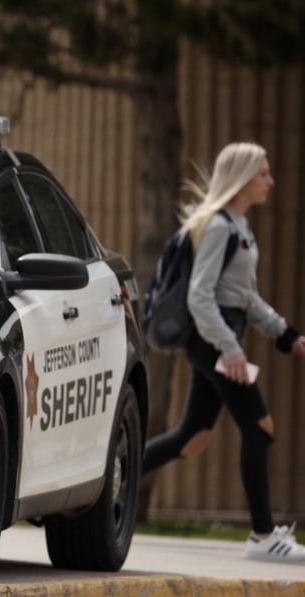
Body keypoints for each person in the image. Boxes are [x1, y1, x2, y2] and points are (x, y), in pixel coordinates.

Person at [142, 142, 305, 562]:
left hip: (220, 339)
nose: (271, 181)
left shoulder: (240, 227)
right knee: (260, 426)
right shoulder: (217, 227)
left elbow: (245, 298)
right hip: (213, 341)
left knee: (192, 438)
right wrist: (230, 350)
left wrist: (285, 334)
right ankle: (264, 536)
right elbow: (200, 298)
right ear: (243, 178)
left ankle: (102, 480)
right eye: (264, 173)